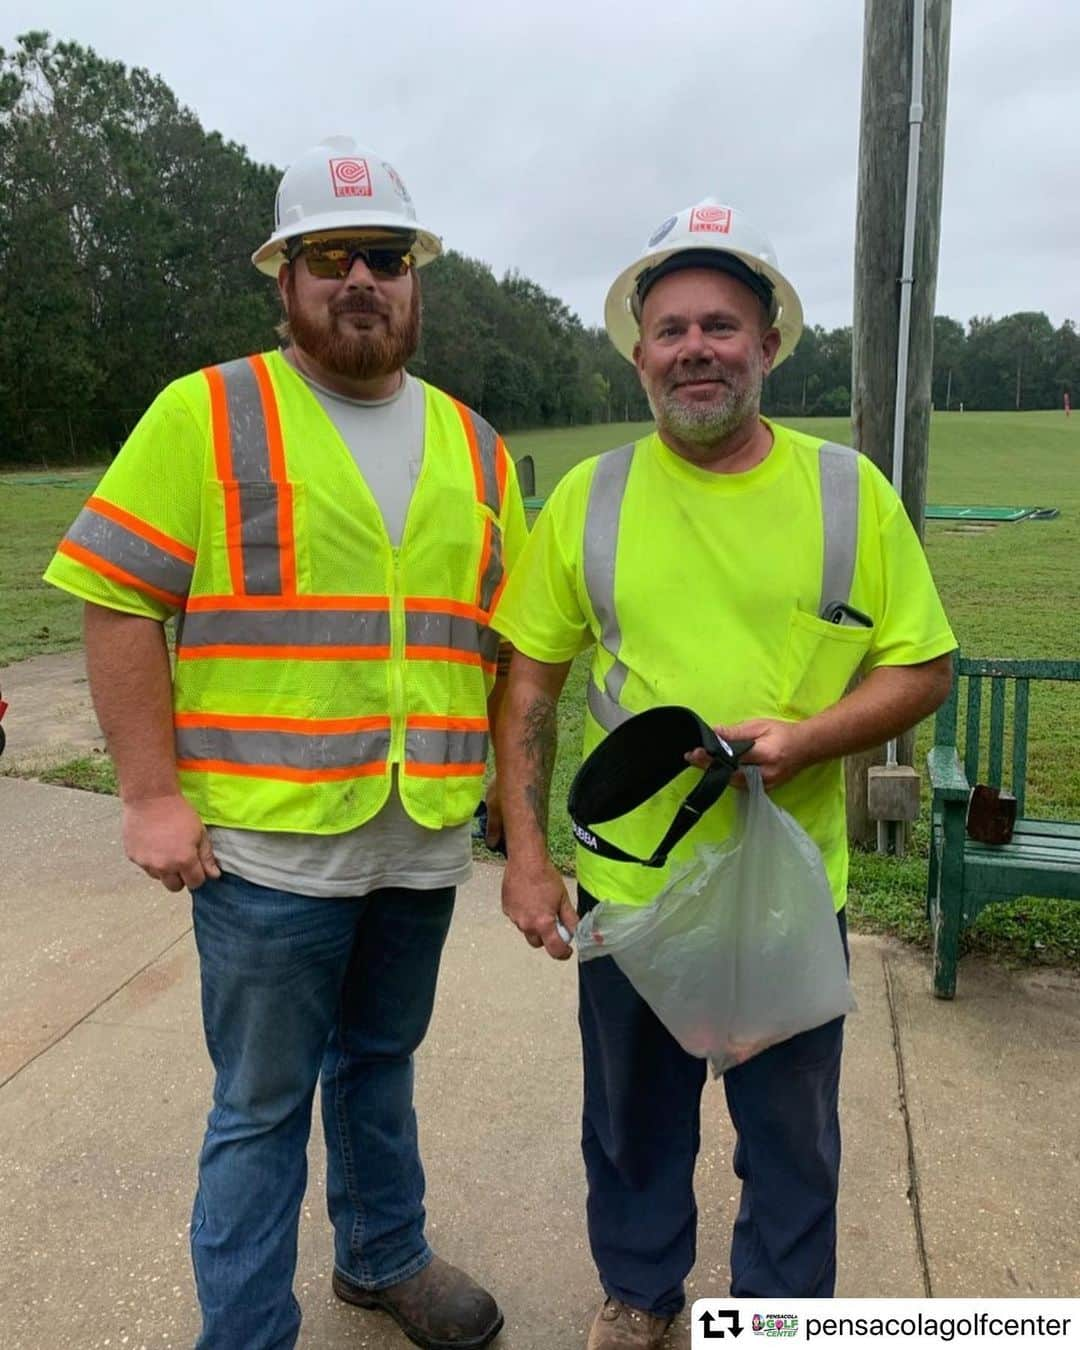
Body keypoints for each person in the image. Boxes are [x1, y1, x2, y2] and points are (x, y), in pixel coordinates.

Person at [44, 136, 523, 1350]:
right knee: (259, 1109)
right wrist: (150, 796)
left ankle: (382, 1258)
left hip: (418, 839)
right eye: (330, 257)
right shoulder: (206, 412)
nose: (360, 278)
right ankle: (248, 1333)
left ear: (416, 278)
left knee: (381, 1063)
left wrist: (515, 808)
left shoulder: (475, 444)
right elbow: (116, 596)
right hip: (265, 852)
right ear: (286, 278)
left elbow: (510, 640)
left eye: (385, 256)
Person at [491, 199, 956, 1349]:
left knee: (791, 1137)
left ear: (769, 343)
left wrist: (809, 738)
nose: (696, 349)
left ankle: (777, 1320)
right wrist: (529, 859)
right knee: (633, 1124)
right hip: (633, 894)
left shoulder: (848, 491)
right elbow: (531, 689)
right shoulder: (591, 501)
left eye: (723, 326)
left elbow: (925, 666)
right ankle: (640, 1300)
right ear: (640, 352)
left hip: (788, 887)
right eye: (672, 330)